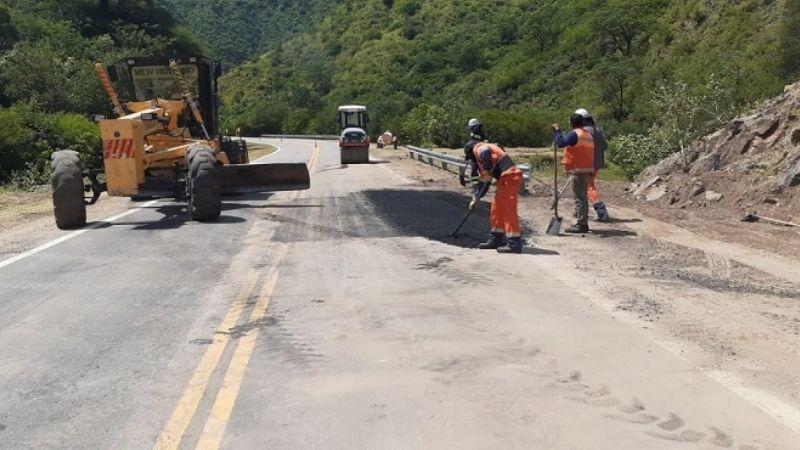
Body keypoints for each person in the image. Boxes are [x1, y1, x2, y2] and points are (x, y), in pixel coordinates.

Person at [463, 140, 524, 253]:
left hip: (510, 177)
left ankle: (514, 244)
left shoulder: (479, 148)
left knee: (508, 211)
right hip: (504, 180)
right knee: (496, 209)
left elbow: (485, 153)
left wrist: (487, 167)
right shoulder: (483, 154)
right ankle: (495, 239)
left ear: (471, 152)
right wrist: (476, 197)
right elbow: (484, 181)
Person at [553, 113, 595, 234]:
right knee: (583, 197)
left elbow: (561, 143)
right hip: (587, 170)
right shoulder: (588, 135)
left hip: (578, 170)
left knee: (579, 198)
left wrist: (557, 131)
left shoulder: (575, 134)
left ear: (571, 122)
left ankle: (582, 224)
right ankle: (583, 222)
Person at [575, 108, 610, 221]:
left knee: (588, 188)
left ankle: (602, 212)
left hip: (587, 164)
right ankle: (578, 211)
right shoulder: (598, 130)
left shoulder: (584, 131)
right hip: (597, 163)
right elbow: (605, 146)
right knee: (584, 186)